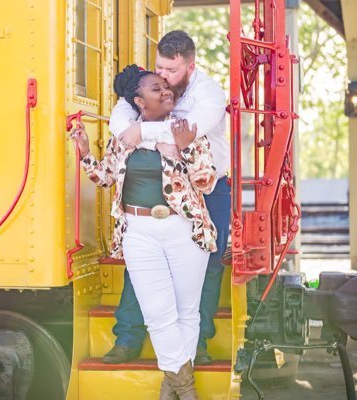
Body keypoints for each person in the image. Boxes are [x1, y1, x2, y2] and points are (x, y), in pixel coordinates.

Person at [71, 64, 218, 399]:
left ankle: (174, 386)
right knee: (157, 313)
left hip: (184, 229)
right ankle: (185, 386)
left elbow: (206, 183)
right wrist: (85, 155)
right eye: (157, 88)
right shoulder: (124, 137)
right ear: (138, 101)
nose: (166, 91)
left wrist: (185, 149)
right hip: (138, 231)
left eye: (167, 87)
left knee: (186, 312)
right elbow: (106, 178)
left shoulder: (188, 131)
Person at [104, 30, 231, 366]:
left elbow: (189, 132)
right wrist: (140, 133)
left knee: (211, 264)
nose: (163, 75)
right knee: (142, 262)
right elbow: (119, 122)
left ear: (190, 67)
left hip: (209, 187)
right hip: (159, 187)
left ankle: (198, 344)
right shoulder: (152, 84)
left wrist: (142, 131)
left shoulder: (210, 93)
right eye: (159, 66)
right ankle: (128, 338)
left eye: (171, 70)